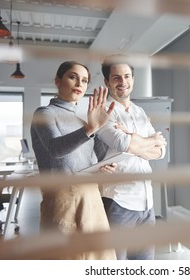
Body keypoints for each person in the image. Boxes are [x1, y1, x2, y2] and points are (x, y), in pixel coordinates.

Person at [30, 61, 116, 260]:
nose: (79, 83)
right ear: (58, 81)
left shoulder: (83, 120)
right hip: (62, 199)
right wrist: (90, 129)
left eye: (85, 80)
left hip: (91, 196)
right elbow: (55, 149)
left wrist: (103, 165)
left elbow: (91, 159)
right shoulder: (44, 113)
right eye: (72, 76)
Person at [96, 54, 167, 260]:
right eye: (116, 77)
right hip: (119, 201)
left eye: (127, 76)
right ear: (107, 82)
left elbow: (161, 151)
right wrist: (141, 140)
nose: (123, 82)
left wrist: (132, 138)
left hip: (146, 203)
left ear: (133, 80)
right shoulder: (102, 112)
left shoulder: (139, 111)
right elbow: (122, 145)